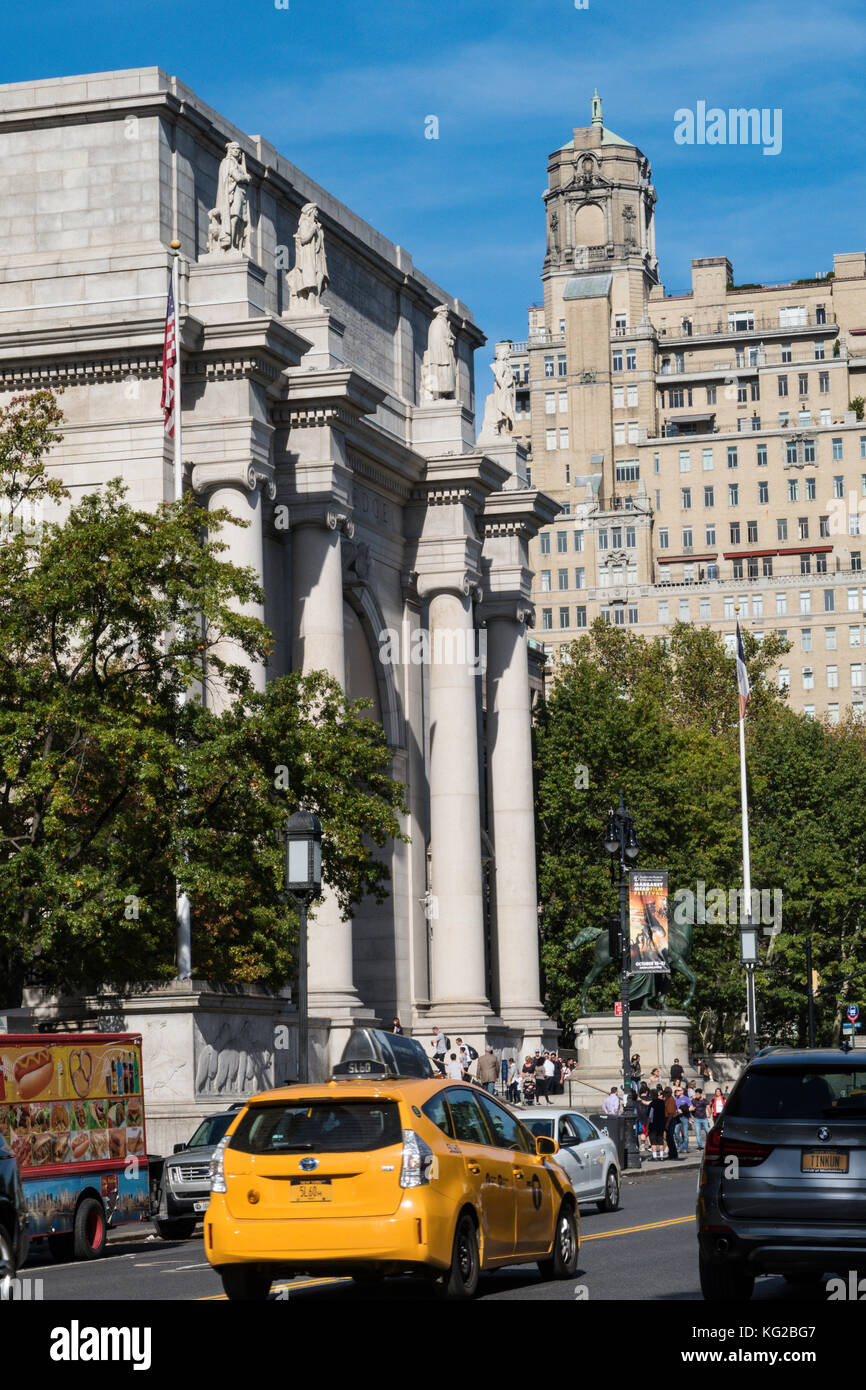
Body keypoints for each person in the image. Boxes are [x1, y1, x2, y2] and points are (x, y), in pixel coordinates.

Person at [648, 1087, 667, 1160]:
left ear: (652, 1095)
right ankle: (661, 1157)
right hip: (661, 1124)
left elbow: (650, 1116)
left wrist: (647, 1126)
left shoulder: (652, 1104)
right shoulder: (662, 1102)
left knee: (653, 1141)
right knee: (660, 1139)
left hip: (653, 1125)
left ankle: (655, 1157)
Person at [664, 1086, 680, 1160]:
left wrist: (667, 1123)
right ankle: (671, 1154)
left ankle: (674, 1154)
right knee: (668, 1138)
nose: (665, 1093)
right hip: (668, 1119)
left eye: (667, 1092)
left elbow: (670, 1113)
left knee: (670, 1137)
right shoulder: (666, 1099)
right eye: (665, 1092)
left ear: (670, 1093)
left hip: (671, 1119)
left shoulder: (670, 1099)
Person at [674, 1084, 691, 1153]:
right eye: (676, 1090)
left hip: (684, 1117)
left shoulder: (686, 1098)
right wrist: (676, 1111)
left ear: (682, 1091)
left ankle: (685, 1148)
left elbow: (691, 1107)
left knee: (685, 1134)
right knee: (675, 1132)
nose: (677, 1091)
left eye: (678, 1090)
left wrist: (684, 1110)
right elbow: (673, 1108)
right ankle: (680, 1146)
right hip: (677, 1117)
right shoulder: (675, 1099)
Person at [636, 1084, 652, 1153]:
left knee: (643, 1132)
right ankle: (650, 1145)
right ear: (646, 1092)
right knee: (648, 1132)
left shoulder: (638, 1099)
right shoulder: (650, 1098)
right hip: (648, 1118)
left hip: (640, 1118)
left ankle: (642, 1146)